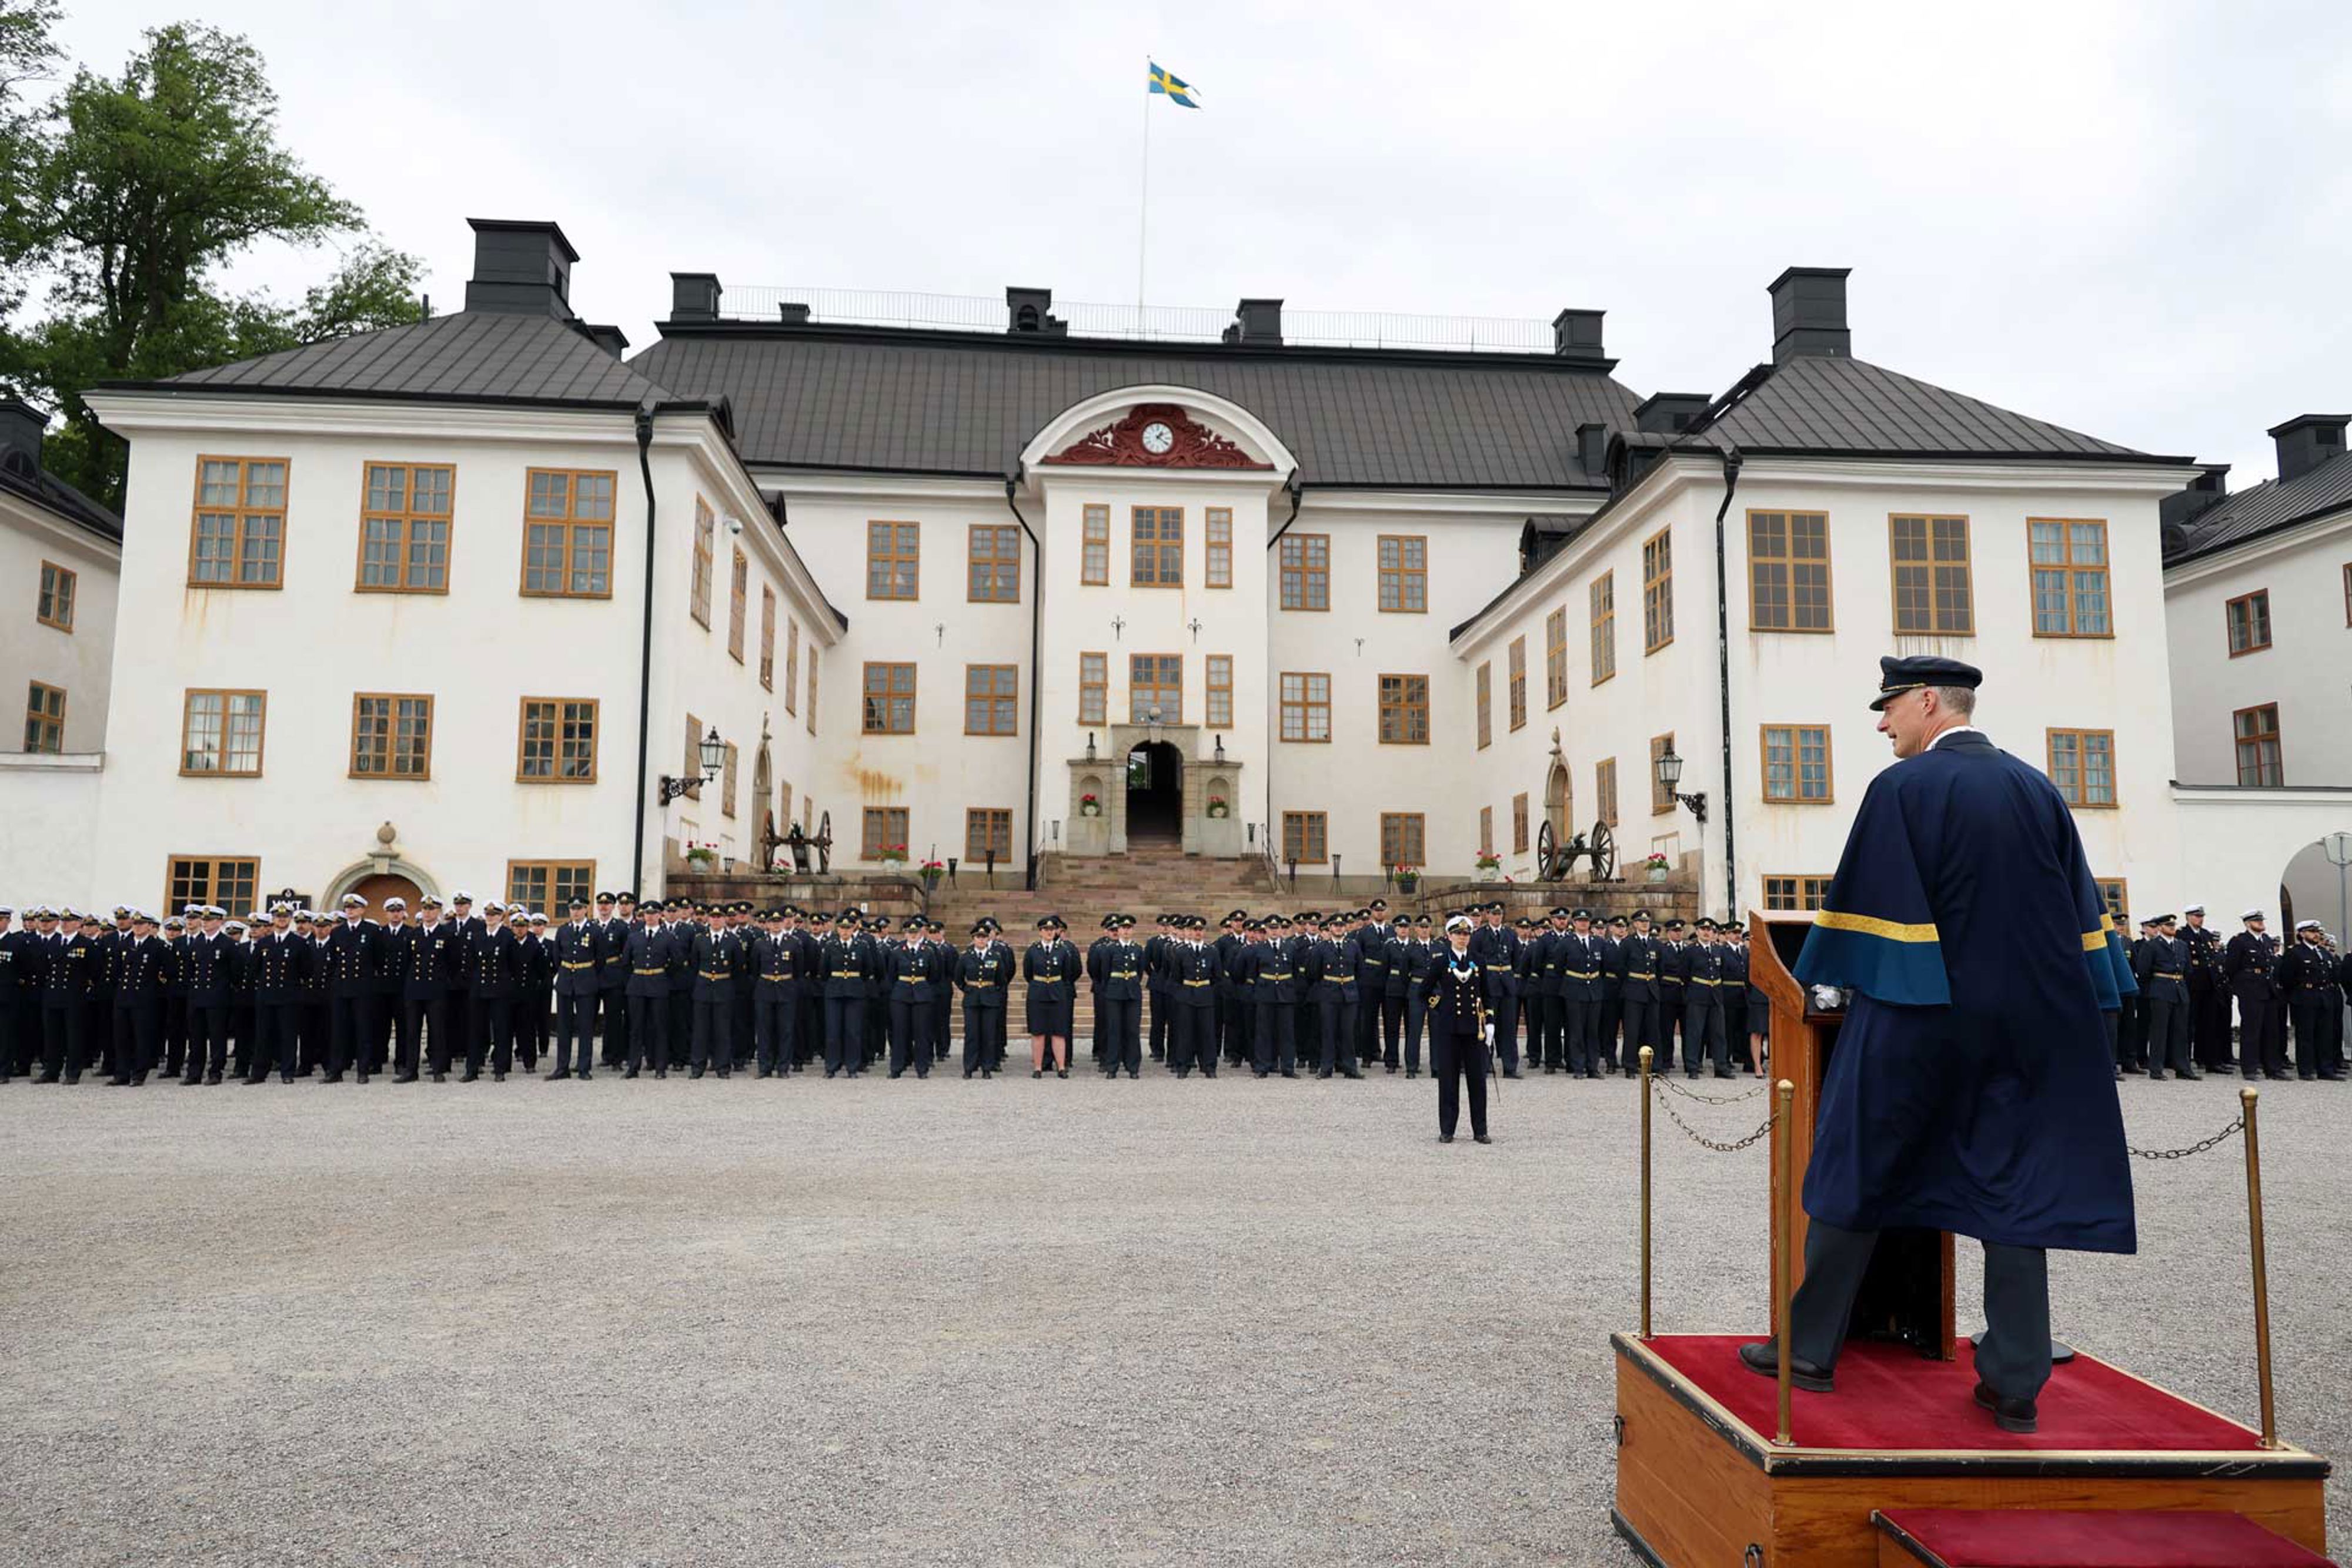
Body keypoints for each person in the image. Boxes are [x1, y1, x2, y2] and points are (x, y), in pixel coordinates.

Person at [1739, 654, 2136, 1436]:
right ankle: (2016, 1379)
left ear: (1927, 701)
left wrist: (1830, 986)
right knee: (2015, 1190)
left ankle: (1810, 1349)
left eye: (1888, 707)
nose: (1883, 723)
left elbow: (1872, 910)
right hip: (2030, 1029)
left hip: (1923, 1016)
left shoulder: (1903, 788)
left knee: (1856, 1164)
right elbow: (2084, 916)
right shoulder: (2038, 787)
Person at [1420, 914, 1492, 1144]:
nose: (1463, 938)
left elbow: (1488, 993)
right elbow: (1423, 991)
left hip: (1474, 1029)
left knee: (1477, 1081)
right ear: (1449, 936)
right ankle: (1447, 1129)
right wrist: (1442, 1007)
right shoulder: (1441, 961)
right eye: (1458, 934)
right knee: (1449, 1082)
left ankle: (1480, 1130)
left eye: (1466, 934)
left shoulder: (1478, 961)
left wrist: (1490, 1021)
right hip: (1449, 1029)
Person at [2133, 914, 2197, 1081]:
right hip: (2161, 989)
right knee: (2159, 1032)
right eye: (2168, 926)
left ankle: (2183, 1068)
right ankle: (2156, 1068)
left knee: (2181, 1032)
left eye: (2173, 925)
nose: (2172, 928)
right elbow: (2144, 971)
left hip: (2179, 990)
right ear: (2160, 927)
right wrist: (2155, 987)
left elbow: (2188, 970)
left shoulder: (2181, 945)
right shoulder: (2152, 946)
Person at [2224, 911, 2286, 1081]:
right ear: (2247, 923)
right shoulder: (2239, 941)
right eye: (2256, 921)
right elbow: (2231, 968)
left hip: (2268, 988)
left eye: (2261, 920)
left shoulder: (2266, 940)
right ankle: (2250, 1068)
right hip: (2250, 990)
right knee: (2251, 1031)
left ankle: (2272, 1068)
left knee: (2271, 1031)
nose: (2260, 923)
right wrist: (2241, 987)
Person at [956, 918, 1013, 1078]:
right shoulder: (966, 957)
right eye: (978, 937)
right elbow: (958, 977)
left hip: (990, 999)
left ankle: (987, 1067)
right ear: (973, 939)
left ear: (988, 939)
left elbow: (1002, 979)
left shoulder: (996, 956)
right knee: (972, 1035)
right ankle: (969, 1067)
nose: (981, 940)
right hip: (972, 999)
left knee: (989, 1035)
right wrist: (967, 989)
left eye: (984, 937)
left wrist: (993, 991)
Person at [1024, 915, 1076, 1078]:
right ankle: (1038, 1067)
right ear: (1040, 932)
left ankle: (1061, 1067)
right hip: (1038, 994)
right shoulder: (1033, 950)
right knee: (1038, 1032)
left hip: (1057, 992)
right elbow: (1028, 974)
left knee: (1059, 1032)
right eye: (1046, 930)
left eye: (1052, 930)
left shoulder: (1063, 950)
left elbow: (1067, 973)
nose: (1049, 932)